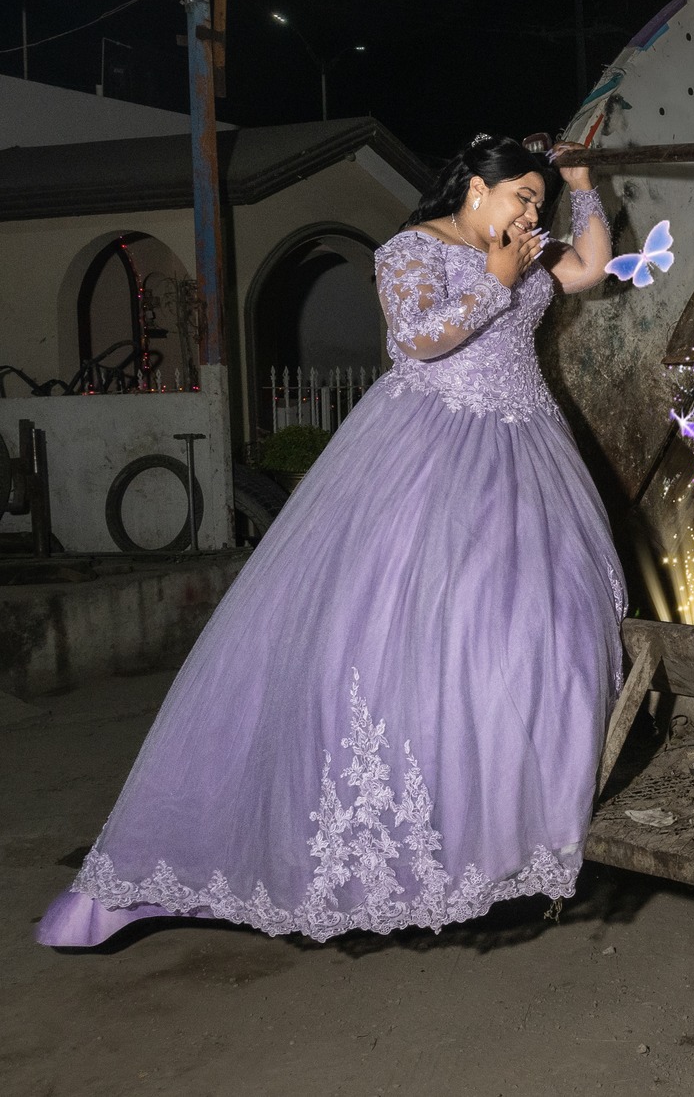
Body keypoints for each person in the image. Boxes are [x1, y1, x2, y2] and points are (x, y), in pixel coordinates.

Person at [38, 134, 626, 947]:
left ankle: (505, 837)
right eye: (521, 196)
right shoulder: (411, 250)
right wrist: (496, 280)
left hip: (524, 454)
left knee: (538, 629)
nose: (533, 212)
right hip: (427, 455)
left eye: (538, 200)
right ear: (474, 189)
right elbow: (415, 340)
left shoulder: (529, 251)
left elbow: (591, 266)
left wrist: (582, 186)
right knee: (404, 636)